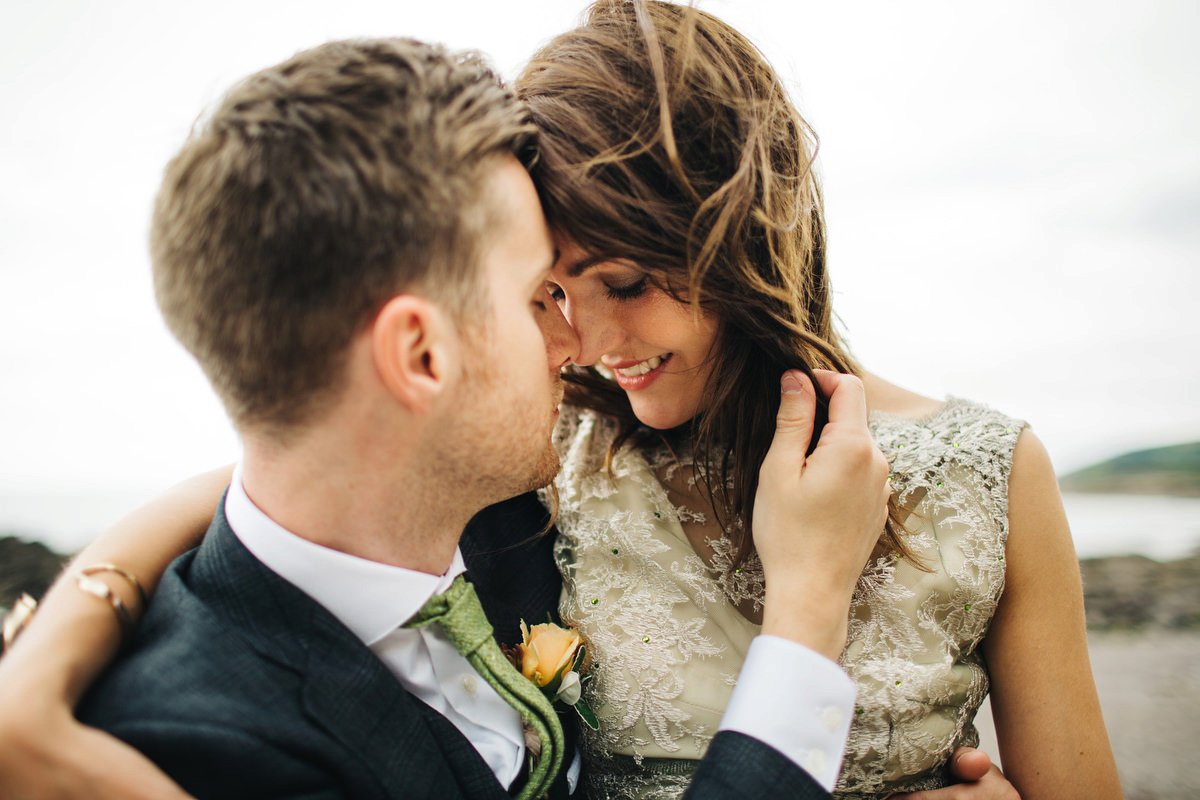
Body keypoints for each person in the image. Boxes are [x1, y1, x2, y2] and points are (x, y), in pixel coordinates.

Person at [0, 10, 1020, 800]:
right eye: (544, 295)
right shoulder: (191, 755)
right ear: (421, 353)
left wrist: (86, 599)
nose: (576, 346)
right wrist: (804, 615)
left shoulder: (476, 523)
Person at [507, 2, 1122, 799]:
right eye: (554, 290)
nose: (587, 342)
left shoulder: (993, 475)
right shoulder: (539, 466)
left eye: (626, 282)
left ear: (747, 231)